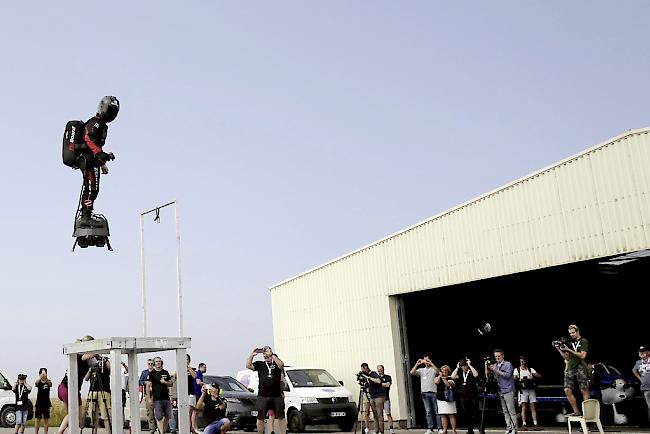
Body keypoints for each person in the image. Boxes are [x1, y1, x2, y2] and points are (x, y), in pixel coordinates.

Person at [77, 95, 119, 227]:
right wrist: (101, 154)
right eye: (109, 110)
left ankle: (88, 214)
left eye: (114, 112)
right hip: (88, 160)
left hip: (93, 160)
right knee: (90, 188)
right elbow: (89, 138)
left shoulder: (103, 126)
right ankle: (85, 217)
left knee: (93, 189)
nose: (111, 115)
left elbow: (96, 147)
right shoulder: (95, 122)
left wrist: (102, 163)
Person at [246, 346, 287, 434]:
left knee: (281, 416)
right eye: (263, 353)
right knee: (260, 417)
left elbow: (281, 365)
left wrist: (272, 355)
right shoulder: (260, 364)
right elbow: (248, 365)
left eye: (266, 352)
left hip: (276, 395)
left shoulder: (275, 363)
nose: (265, 354)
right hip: (263, 395)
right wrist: (252, 355)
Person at [556, 324, 590, 416]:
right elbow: (566, 358)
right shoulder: (569, 342)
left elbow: (583, 355)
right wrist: (559, 349)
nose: (571, 335)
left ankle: (587, 414)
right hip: (570, 366)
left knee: (584, 389)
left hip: (580, 366)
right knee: (567, 390)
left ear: (578, 331)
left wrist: (569, 350)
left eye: (573, 332)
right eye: (570, 333)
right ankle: (576, 411)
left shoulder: (583, 341)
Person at [487, 349, 517, 434]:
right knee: (505, 411)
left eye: (499, 356)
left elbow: (507, 375)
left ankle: (514, 429)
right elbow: (491, 377)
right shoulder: (495, 365)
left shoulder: (508, 364)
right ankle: (509, 428)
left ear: (503, 356)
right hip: (501, 391)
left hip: (508, 390)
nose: (497, 358)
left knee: (511, 411)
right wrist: (488, 368)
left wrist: (496, 370)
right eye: (496, 356)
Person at [410, 355, 442, 434]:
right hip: (424, 392)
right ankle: (430, 428)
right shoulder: (421, 370)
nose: (426, 362)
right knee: (428, 411)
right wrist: (417, 364)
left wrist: (431, 363)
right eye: (425, 360)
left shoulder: (433, 369)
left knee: (437, 411)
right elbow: (412, 372)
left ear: (430, 360)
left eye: (427, 360)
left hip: (433, 392)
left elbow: (438, 371)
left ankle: (439, 428)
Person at [147, 356, 175, 434]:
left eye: (159, 361)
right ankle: (161, 432)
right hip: (157, 398)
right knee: (159, 417)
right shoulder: (151, 373)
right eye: (156, 361)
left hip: (166, 397)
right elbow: (148, 386)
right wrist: (149, 398)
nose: (158, 363)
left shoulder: (165, 372)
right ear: (154, 363)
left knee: (167, 416)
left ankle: (162, 430)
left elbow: (171, 384)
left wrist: (165, 382)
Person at [451, 358, 479, 434]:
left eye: (465, 366)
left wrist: (470, 365)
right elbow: (452, 376)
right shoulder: (460, 373)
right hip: (464, 397)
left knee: (476, 413)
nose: (463, 367)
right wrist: (457, 367)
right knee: (467, 414)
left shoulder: (470, 372)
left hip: (473, 396)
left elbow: (476, 375)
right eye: (462, 366)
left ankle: (481, 428)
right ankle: (470, 430)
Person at [513, 356, 542, 431]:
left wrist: (532, 376)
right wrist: (517, 378)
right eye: (521, 361)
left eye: (523, 361)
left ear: (526, 361)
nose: (522, 362)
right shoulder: (517, 370)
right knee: (524, 407)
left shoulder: (530, 369)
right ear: (519, 362)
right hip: (523, 390)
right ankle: (524, 424)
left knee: (533, 407)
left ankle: (535, 424)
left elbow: (539, 376)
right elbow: (514, 378)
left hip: (531, 389)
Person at [359, 363, 386, 434]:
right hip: (372, 396)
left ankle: (381, 431)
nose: (363, 371)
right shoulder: (366, 376)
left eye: (363, 369)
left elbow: (379, 381)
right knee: (375, 414)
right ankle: (376, 430)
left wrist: (369, 378)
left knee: (379, 414)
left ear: (366, 368)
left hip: (379, 396)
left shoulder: (373, 373)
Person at [434, 365, 457, 434]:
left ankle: (453, 430)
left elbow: (448, 385)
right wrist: (439, 376)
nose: (444, 372)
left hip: (449, 399)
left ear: (448, 371)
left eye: (445, 371)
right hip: (441, 398)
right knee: (443, 415)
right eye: (442, 370)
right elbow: (436, 382)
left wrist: (444, 378)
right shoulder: (438, 377)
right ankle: (444, 429)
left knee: (451, 415)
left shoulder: (450, 378)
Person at [632, 345, 650, 424]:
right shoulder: (638, 362)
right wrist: (640, 379)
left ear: (648, 352)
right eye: (640, 352)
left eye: (643, 351)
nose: (641, 353)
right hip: (645, 387)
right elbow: (634, 370)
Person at [377, 365, 395, 434]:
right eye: (378, 370)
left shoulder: (388, 377)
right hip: (378, 399)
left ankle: (391, 429)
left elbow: (388, 385)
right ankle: (380, 430)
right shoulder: (377, 377)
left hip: (386, 398)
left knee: (388, 414)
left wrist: (379, 384)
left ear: (383, 369)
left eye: (380, 370)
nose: (379, 372)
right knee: (379, 415)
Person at [34, 368, 53, 434]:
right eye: (42, 373)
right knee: (37, 420)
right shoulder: (38, 382)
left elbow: (50, 384)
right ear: (39, 374)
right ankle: (36, 432)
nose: (44, 375)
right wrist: (40, 377)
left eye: (45, 373)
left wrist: (46, 378)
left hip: (47, 404)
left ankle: (45, 433)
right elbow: (36, 383)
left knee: (46, 420)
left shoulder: (48, 382)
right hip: (39, 404)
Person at [139, 358, 156, 432]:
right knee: (150, 413)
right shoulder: (144, 373)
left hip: (157, 394)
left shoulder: (156, 372)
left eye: (152, 364)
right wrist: (146, 383)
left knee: (158, 412)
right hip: (148, 395)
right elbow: (140, 382)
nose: (150, 365)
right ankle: (152, 429)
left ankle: (159, 428)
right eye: (149, 364)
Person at [186, 354, 199, 434]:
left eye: (186, 359)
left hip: (191, 393)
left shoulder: (192, 369)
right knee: (186, 412)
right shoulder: (179, 368)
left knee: (190, 411)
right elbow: (174, 377)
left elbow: (195, 376)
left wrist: (188, 366)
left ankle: (191, 428)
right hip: (183, 393)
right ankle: (189, 428)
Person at [194, 362, 207, 430]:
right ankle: (195, 426)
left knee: (199, 410)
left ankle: (198, 425)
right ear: (200, 367)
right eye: (204, 367)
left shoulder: (200, 374)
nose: (205, 369)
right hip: (197, 394)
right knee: (196, 411)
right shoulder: (199, 373)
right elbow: (198, 382)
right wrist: (205, 385)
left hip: (199, 394)